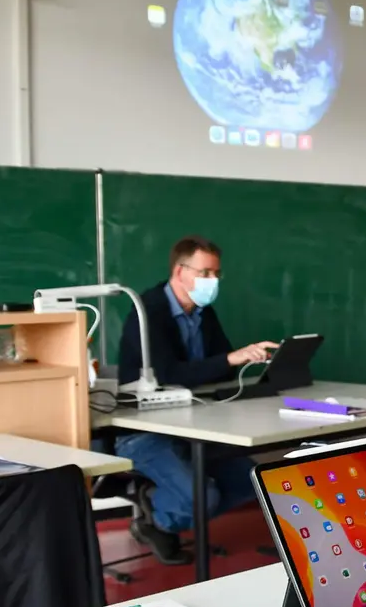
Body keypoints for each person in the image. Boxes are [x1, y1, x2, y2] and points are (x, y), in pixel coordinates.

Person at [114, 235, 278, 564]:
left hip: (195, 423)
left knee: (251, 482)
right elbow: (168, 374)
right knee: (201, 496)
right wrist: (229, 360)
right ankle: (158, 521)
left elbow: (222, 370)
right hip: (145, 430)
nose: (212, 281)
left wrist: (236, 361)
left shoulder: (204, 312)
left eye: (216, 273)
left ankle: (164, 512)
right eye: (205, 273)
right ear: (179, 272)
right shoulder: (147, 312)